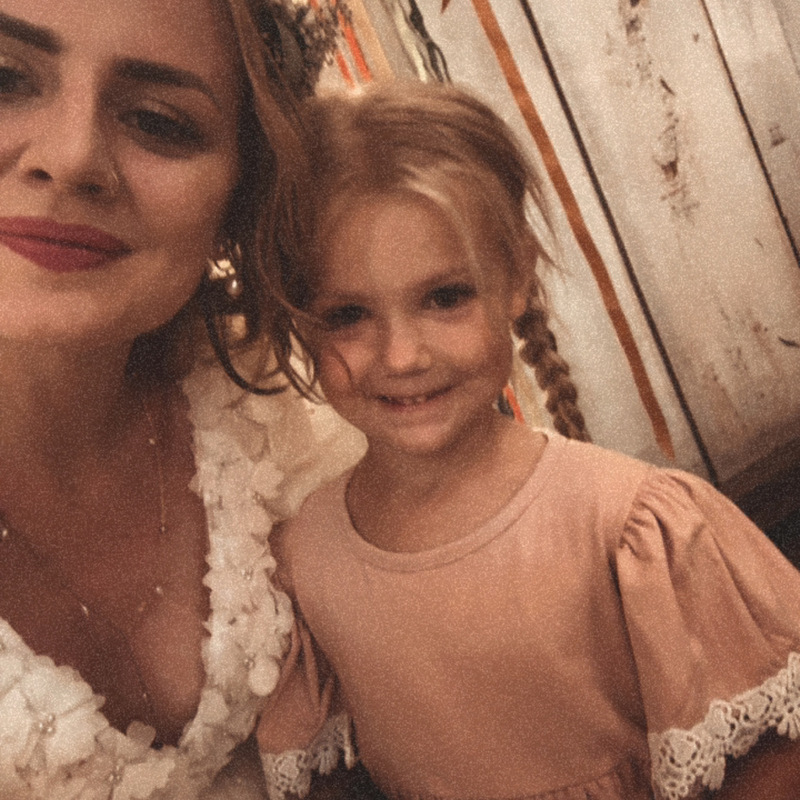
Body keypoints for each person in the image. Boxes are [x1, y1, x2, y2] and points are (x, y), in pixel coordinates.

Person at [255, 80, 800, 800]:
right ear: (300, 320)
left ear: (515, 277)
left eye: (445, 297)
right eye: (348, 314)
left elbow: (769, 768)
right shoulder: (304, 561)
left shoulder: (634, 528)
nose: (402, 356)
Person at [0, 0, 370, 797]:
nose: (72, 158)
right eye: (2, 79)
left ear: (240, 197)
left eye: (159, 121)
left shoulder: (301, 433)